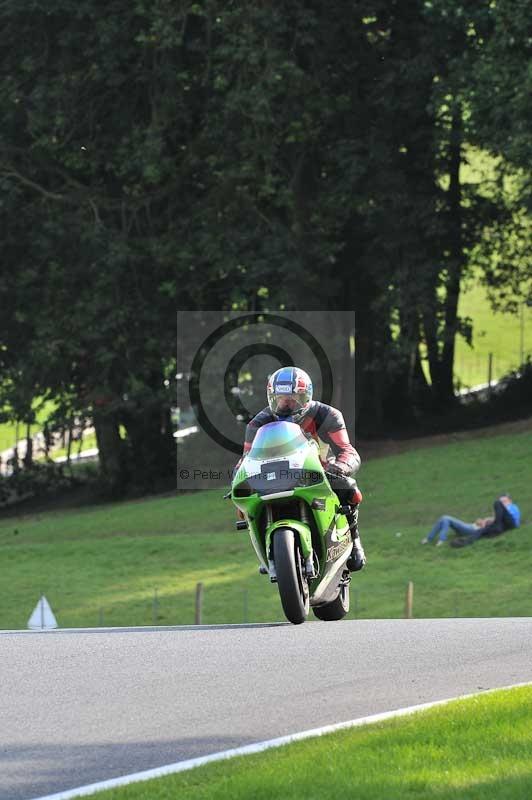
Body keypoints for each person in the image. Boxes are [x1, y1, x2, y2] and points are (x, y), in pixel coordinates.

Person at [235, 366, 366, 572]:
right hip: (275, 474)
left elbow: (347, 450)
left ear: (307, 397)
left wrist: (340, 467)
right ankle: (265, 550)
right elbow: (246, 459)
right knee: (245, 506)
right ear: (271, 398)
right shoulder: (257, 424)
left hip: (319, 471)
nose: (287, 404)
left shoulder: (328, 415)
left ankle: (355, 540)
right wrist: (238, 477)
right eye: (281, 399)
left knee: (349, 489)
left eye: (294, 398)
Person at [421, 495, 521, 548]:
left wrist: (485, 522)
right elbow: (493, 519)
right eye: (502, 502)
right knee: (444, 518)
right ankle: (429, 539)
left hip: (472, 529)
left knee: (446, 518)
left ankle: (441, 540)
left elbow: (495, 522)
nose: (502, 503)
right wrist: (482, 520)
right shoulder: (502, 514)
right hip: (471, 526)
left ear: (510, 501)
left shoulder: (512, 508)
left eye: (504, 501)